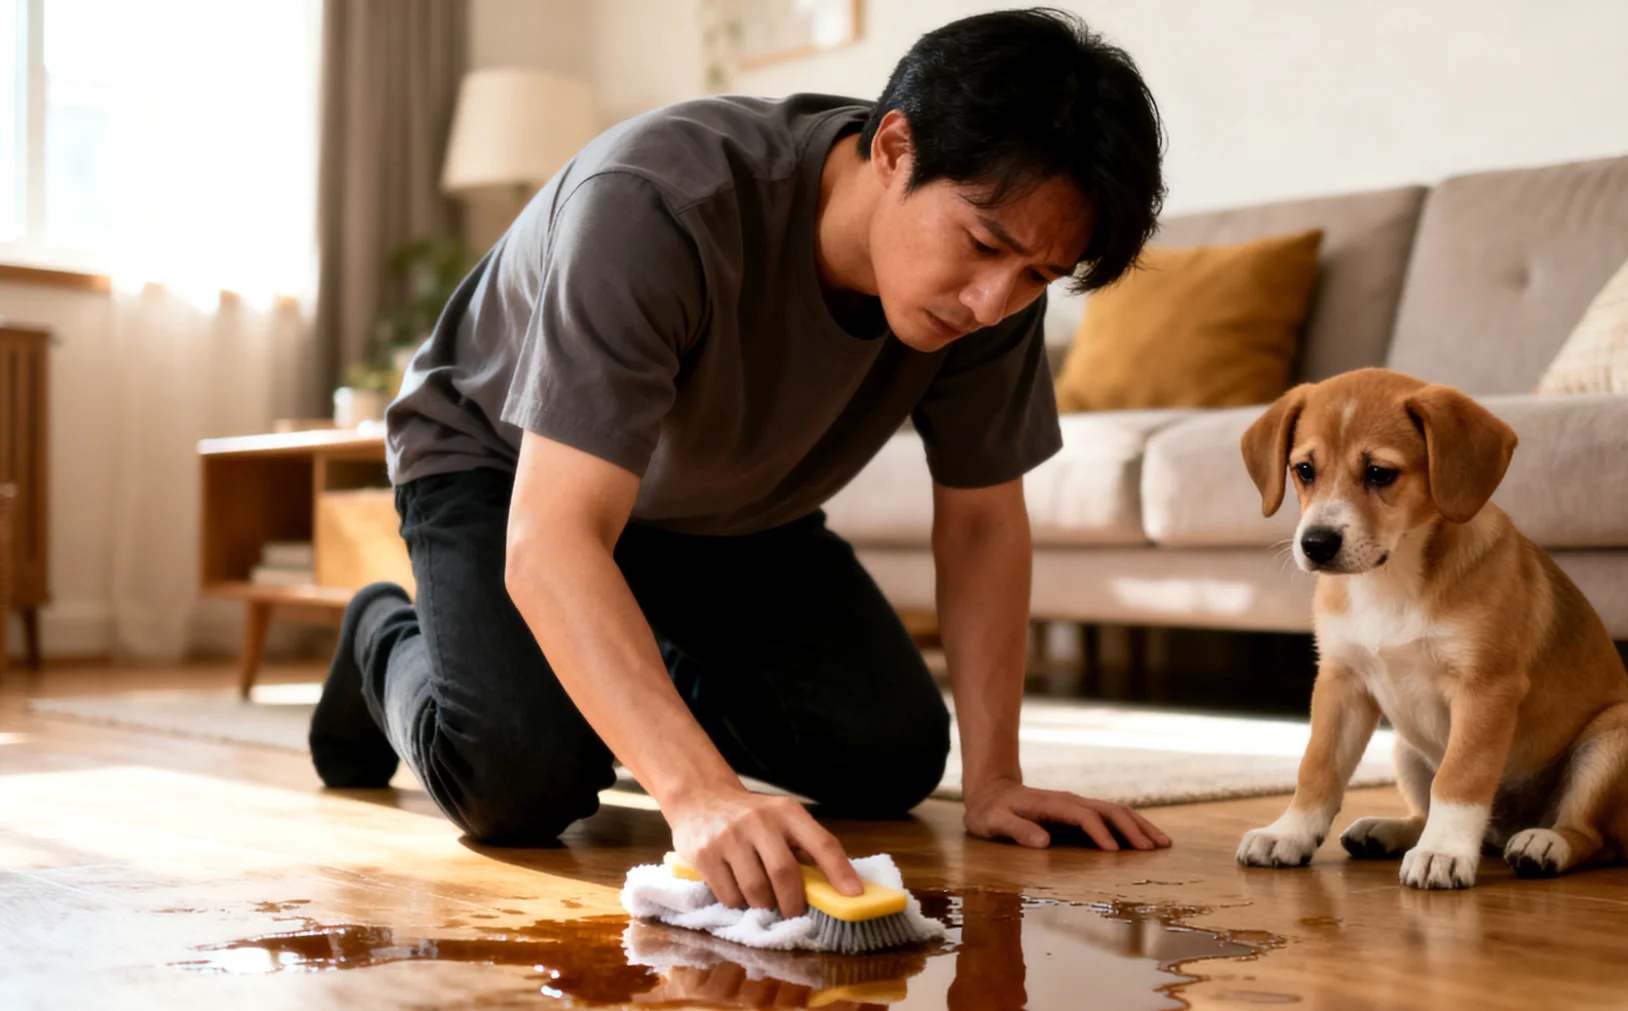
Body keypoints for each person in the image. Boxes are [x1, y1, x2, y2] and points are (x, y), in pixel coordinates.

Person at [308, 7, 1172, 921]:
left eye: (1040, 274)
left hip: (734, 511)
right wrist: (695, 790)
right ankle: (384, 636)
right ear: (892, 147)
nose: (994, 301)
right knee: (520, 783)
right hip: (504, 468)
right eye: (986, 245)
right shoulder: (656, 203)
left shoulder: (999, 294)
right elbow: (554, 535)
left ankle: (618, 660)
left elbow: (984, 519)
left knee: (889, 755)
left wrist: (996, 778)